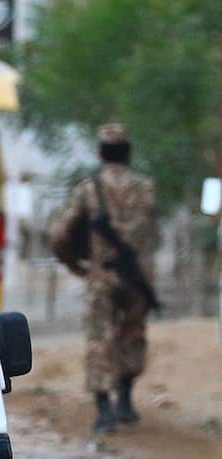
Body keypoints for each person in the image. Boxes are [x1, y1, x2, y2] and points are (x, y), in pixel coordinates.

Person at [50, 123, 158, 434]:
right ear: (129, 153)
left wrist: (73, 263)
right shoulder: (146, 187)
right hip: (138, 278)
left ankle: (104, 412)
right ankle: (125, 400)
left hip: (103, 275)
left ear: (100, 153)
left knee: (100, 339)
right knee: (132, 334)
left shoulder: (89, 189)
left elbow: (60, 233)